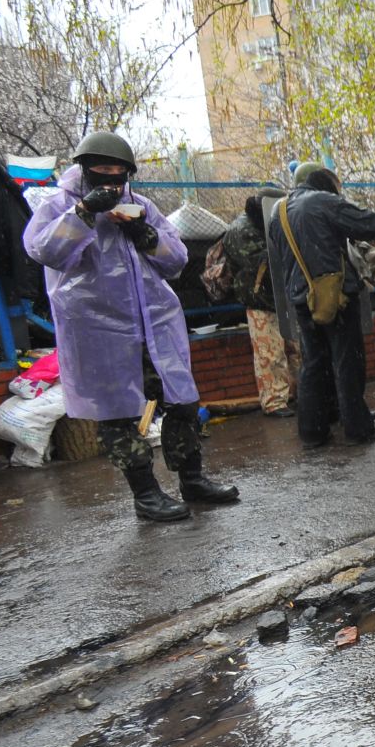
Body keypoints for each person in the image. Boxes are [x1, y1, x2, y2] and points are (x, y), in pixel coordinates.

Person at [23, 131, 239, 521]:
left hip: (154, 324)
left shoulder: (141, 205)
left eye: (119, 173)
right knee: (118, 413)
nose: (111, 179)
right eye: (102, 171)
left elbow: (176, 261)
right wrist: (85, 212)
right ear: (84, 169)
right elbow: (44, 251)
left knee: (182, 401)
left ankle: (192, 479)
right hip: (97, 330)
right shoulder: (58, 205)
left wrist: (145, 234)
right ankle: (146, 494)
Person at [266, 163, 375, 448]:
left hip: (301, 297)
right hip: (334, 294)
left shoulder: (279, 211)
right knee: (348, 360)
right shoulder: (323, 201)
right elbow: (370, 224)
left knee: (313, 363)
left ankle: (313, 431)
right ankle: (357, 428)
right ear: (324, 182)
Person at [220, 191, 298, 416]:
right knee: (270, 353)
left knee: (296, 349)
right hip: (260, 299)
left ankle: (302, 394)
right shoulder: (240, 230)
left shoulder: (267, 221)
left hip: (281, 296)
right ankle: (274, 402)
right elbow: (261, 260)